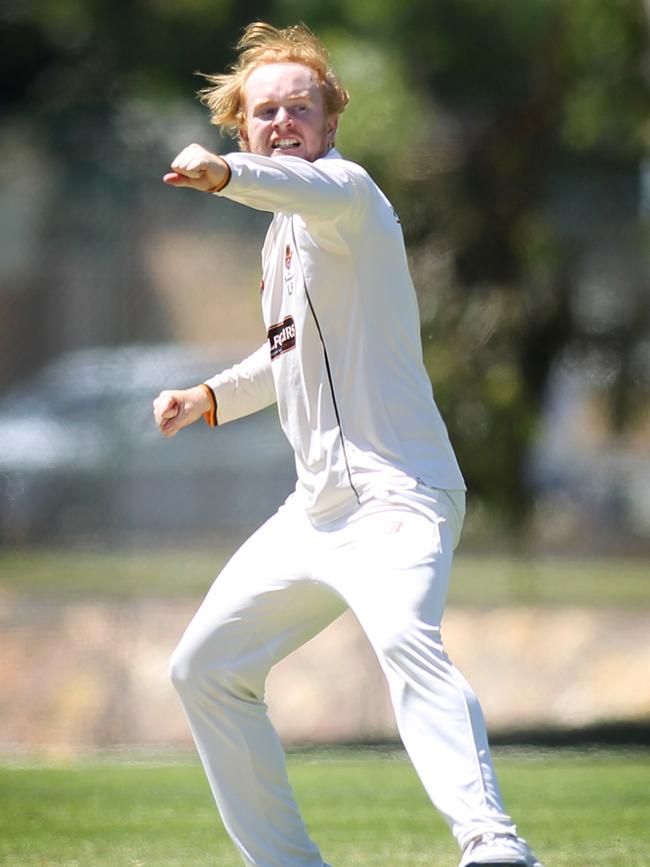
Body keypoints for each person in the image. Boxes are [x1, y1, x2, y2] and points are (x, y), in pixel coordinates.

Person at [152, 21, 543, 867]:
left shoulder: (347, 194)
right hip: (316, 513)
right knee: (204, 669)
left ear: (331, 124)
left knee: (405, 634)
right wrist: (209, 395)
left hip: (400, 490)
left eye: (303, 107)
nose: (285, 120)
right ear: (244, 122)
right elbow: (284, 354)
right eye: (266, 112)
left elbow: (291, 188)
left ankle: (494, 844)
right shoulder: (279, 237)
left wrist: (222, 175)